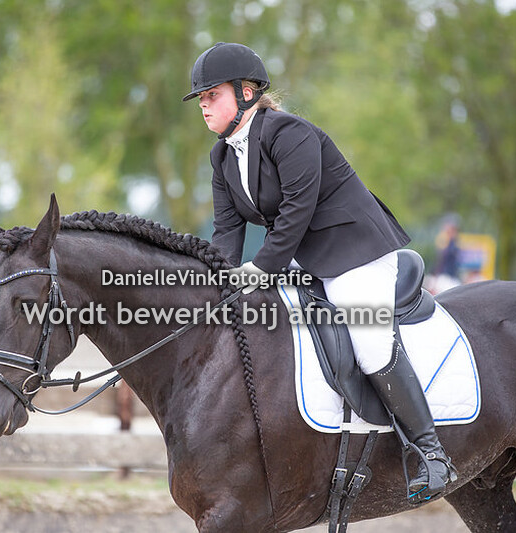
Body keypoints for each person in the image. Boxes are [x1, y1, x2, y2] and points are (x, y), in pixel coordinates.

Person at [183, 42, 456, 502]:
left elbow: (296, 212)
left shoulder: (290, 133)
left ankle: (430, 453)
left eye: (212, 94)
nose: (205, 105)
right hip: (304, 258)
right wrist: (216, 281)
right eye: (202, 98)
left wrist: (260, 270)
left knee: (367, 339)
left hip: (355, 251)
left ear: (247, 92)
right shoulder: (223, 157)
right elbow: (226, 230)